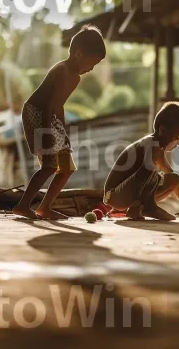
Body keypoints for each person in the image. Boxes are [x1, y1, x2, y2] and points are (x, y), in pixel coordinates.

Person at [13, 25, 106, 219]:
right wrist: (46, 133)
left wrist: (62, 133)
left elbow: (59, 105)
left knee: (66, 168)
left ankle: (44, 207)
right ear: (79, 54)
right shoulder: (62, 71)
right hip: (36, 113)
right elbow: (47, 104)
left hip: (51, 116)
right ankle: (23, 205)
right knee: (49, 165)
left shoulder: (75, 78)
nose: (91, 69)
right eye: (92, 63)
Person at [104, 102, 179, 220]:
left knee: (173, 178)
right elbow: (146, 172)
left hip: (128, 195)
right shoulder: (150, 144)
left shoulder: (157, 148)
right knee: (151, 170)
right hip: (114, 195)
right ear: (163, 130)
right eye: (177, 137)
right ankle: (148, 207)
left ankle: (139, 207)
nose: (178, 143)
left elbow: (170, 175)